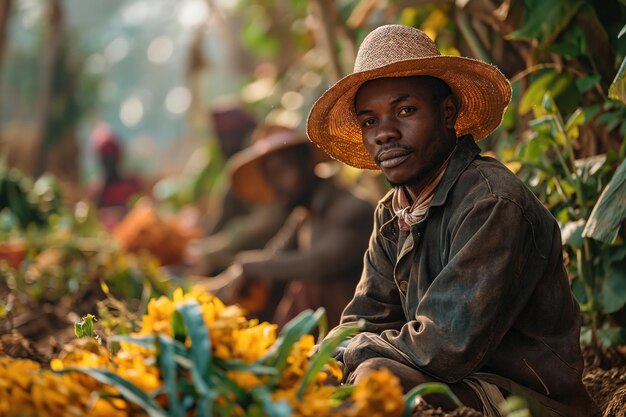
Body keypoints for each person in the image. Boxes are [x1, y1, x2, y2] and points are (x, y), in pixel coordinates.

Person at [306, 25, 599, 417]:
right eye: (369, 121)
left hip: (525, 400)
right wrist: (320, 358)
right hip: (457, 382)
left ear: (448, 114)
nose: (384, 134)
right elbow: (365, 317)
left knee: (376, 379)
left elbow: (443, 348)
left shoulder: (492, 202)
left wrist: (349, 353)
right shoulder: (393, 212)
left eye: (405, 110)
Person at [209, 126, 374, 328]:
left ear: (306, 164)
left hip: (359, 329)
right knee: (262, 285)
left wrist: (247, 265)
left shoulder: (352, 208)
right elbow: (273, 256)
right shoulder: (303, 215)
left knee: (307, 285)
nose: (276, 185)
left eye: (281, 171)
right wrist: (208, 289)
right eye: (270, 177)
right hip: (329, 323)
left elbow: (317, 263)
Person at [187, 104, 288, 275]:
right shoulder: (238, 164)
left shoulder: (258, 153)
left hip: (273, 246)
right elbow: (224, 209)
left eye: (221, 137)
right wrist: (204, 244)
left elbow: (267, 222)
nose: (219, 145)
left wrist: (211, 250)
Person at [89, 122, 144, 230]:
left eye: (112, 157)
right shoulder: (97, 192)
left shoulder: (132, 186)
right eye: (105, 158)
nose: (109, 163)